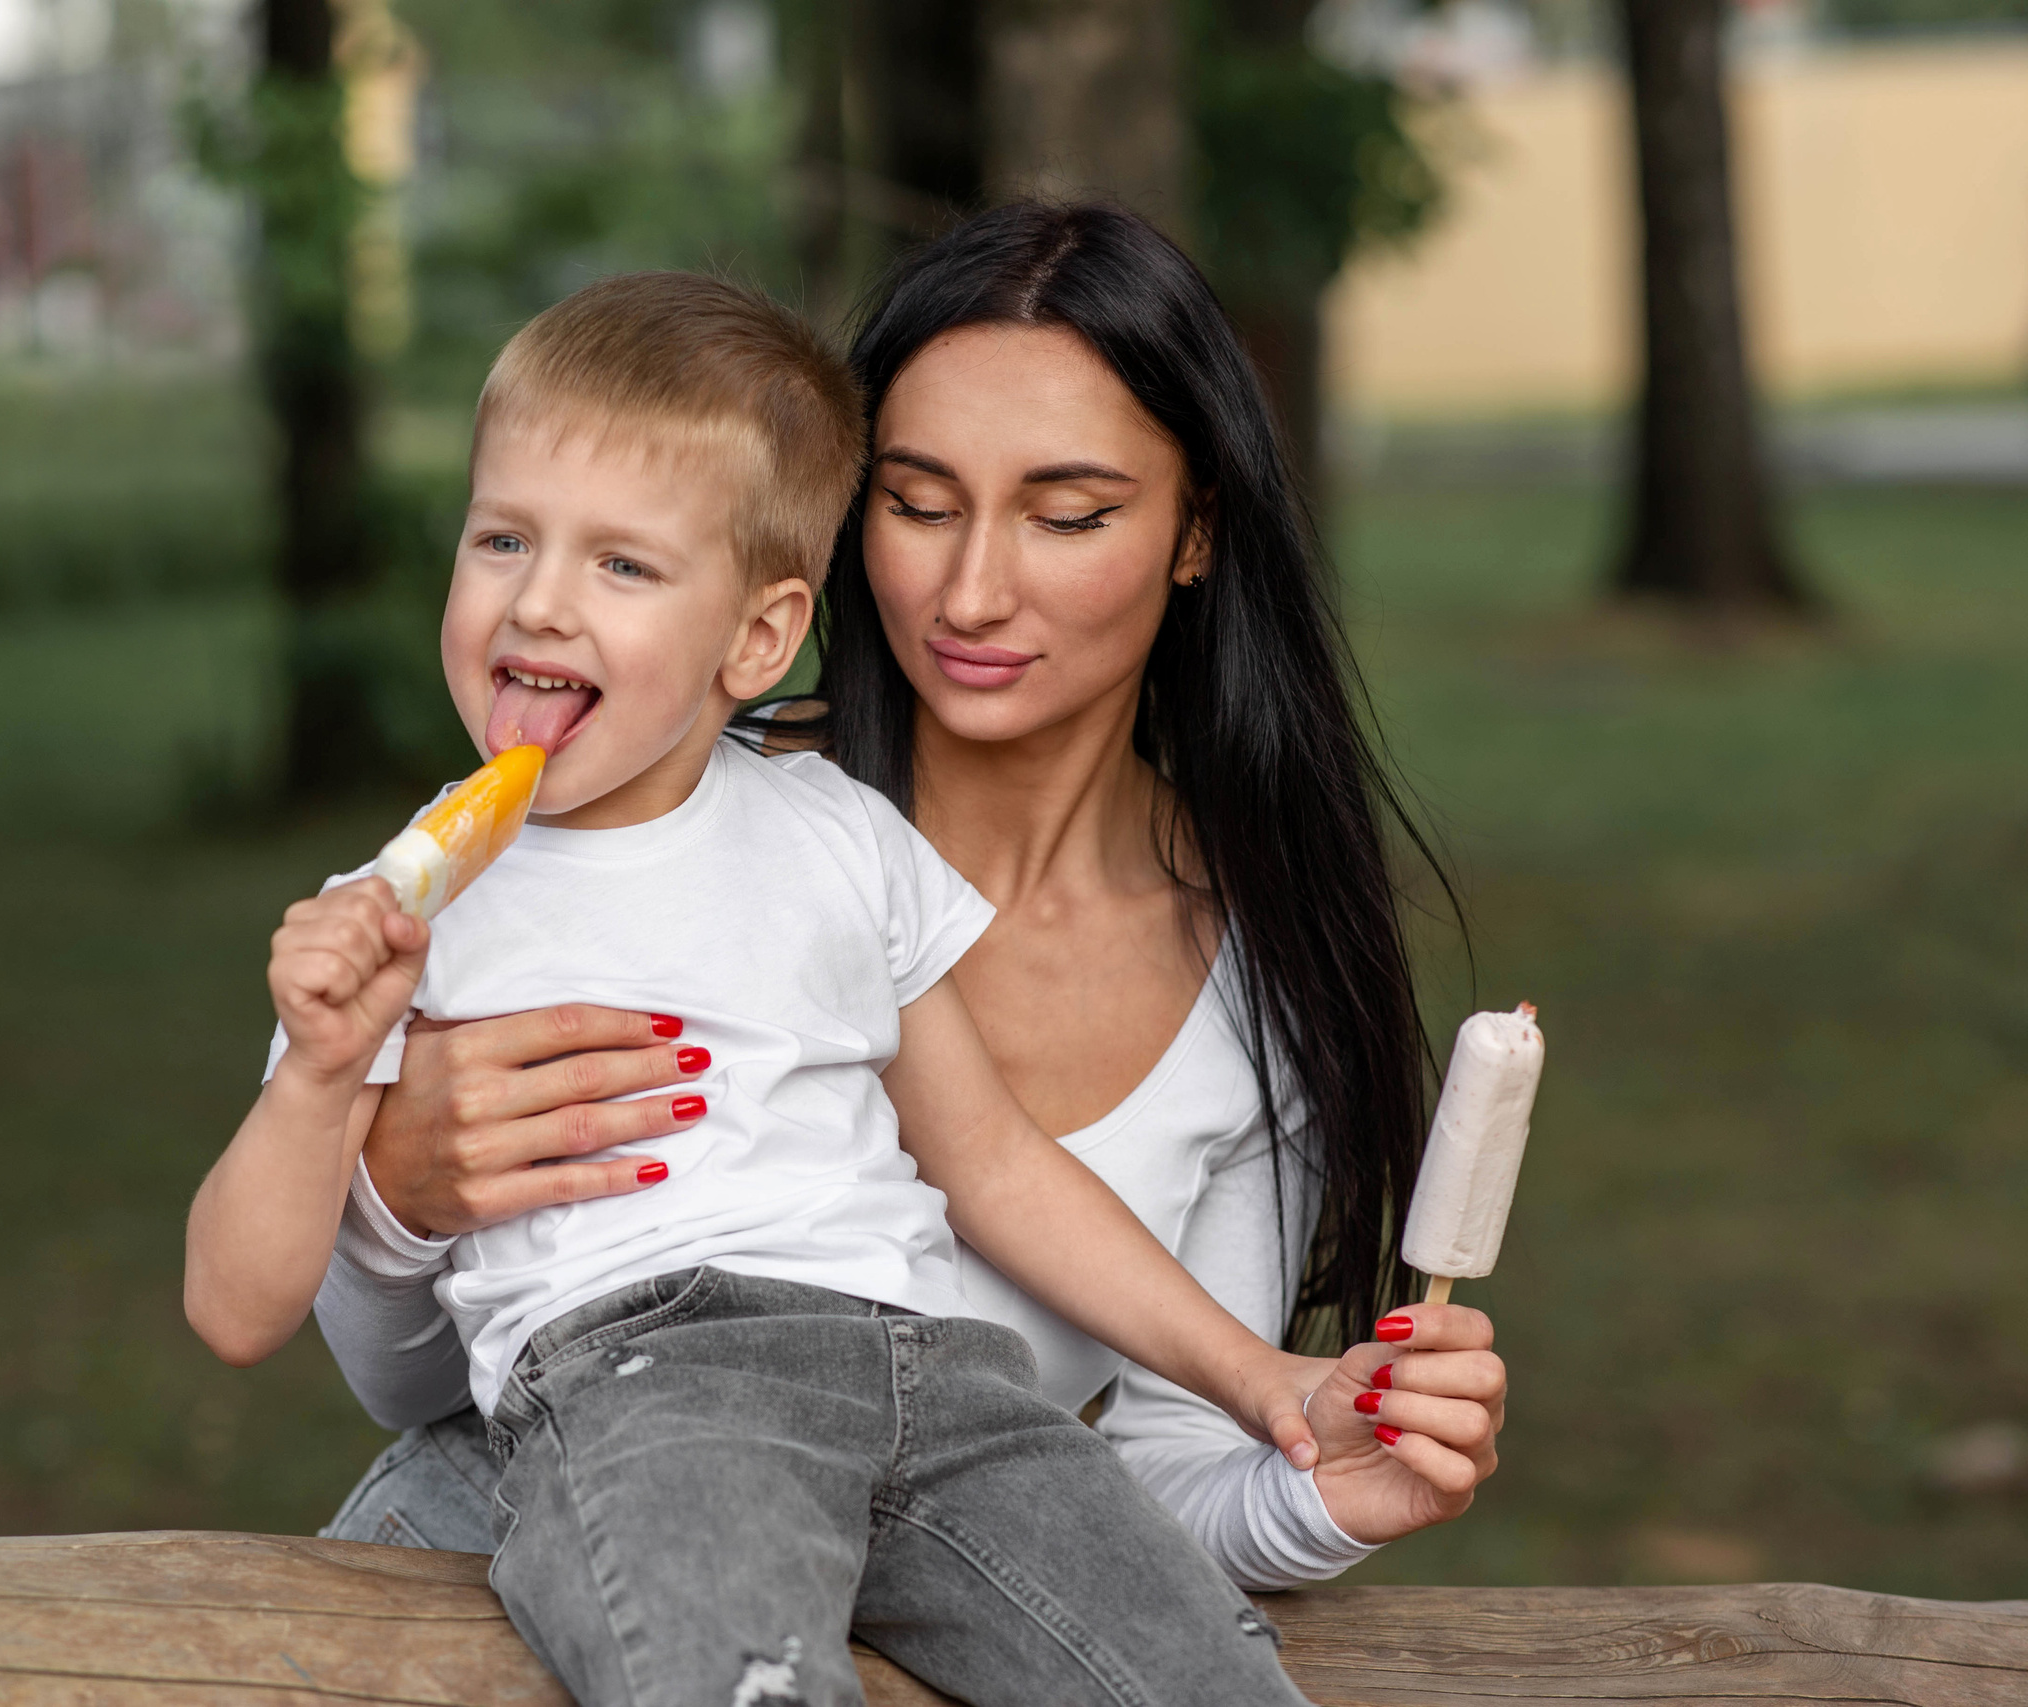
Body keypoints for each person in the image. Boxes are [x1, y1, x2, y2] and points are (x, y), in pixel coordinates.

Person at [317, 203, 1509, 1590]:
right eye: (917, 505)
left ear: (1198, 533)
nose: (972, 590)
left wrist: (1327, 1496)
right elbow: (411, 1392)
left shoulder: (1257, 986)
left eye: (1069, 514)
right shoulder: (636, 809)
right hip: (512, 1574)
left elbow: (1132, 1492)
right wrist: (390, 1195)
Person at [187, 269, 1321, 1707]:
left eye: (623, 566)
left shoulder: (838, 834)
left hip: (940, 1386)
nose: (540, 603)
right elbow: (233, 1307)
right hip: (651, 1385)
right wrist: (320, 1076)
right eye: (502, 540)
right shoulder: (408, 918)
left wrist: (1257, 1380)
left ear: (759, 639)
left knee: (1200, 1674)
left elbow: (993, 1165)